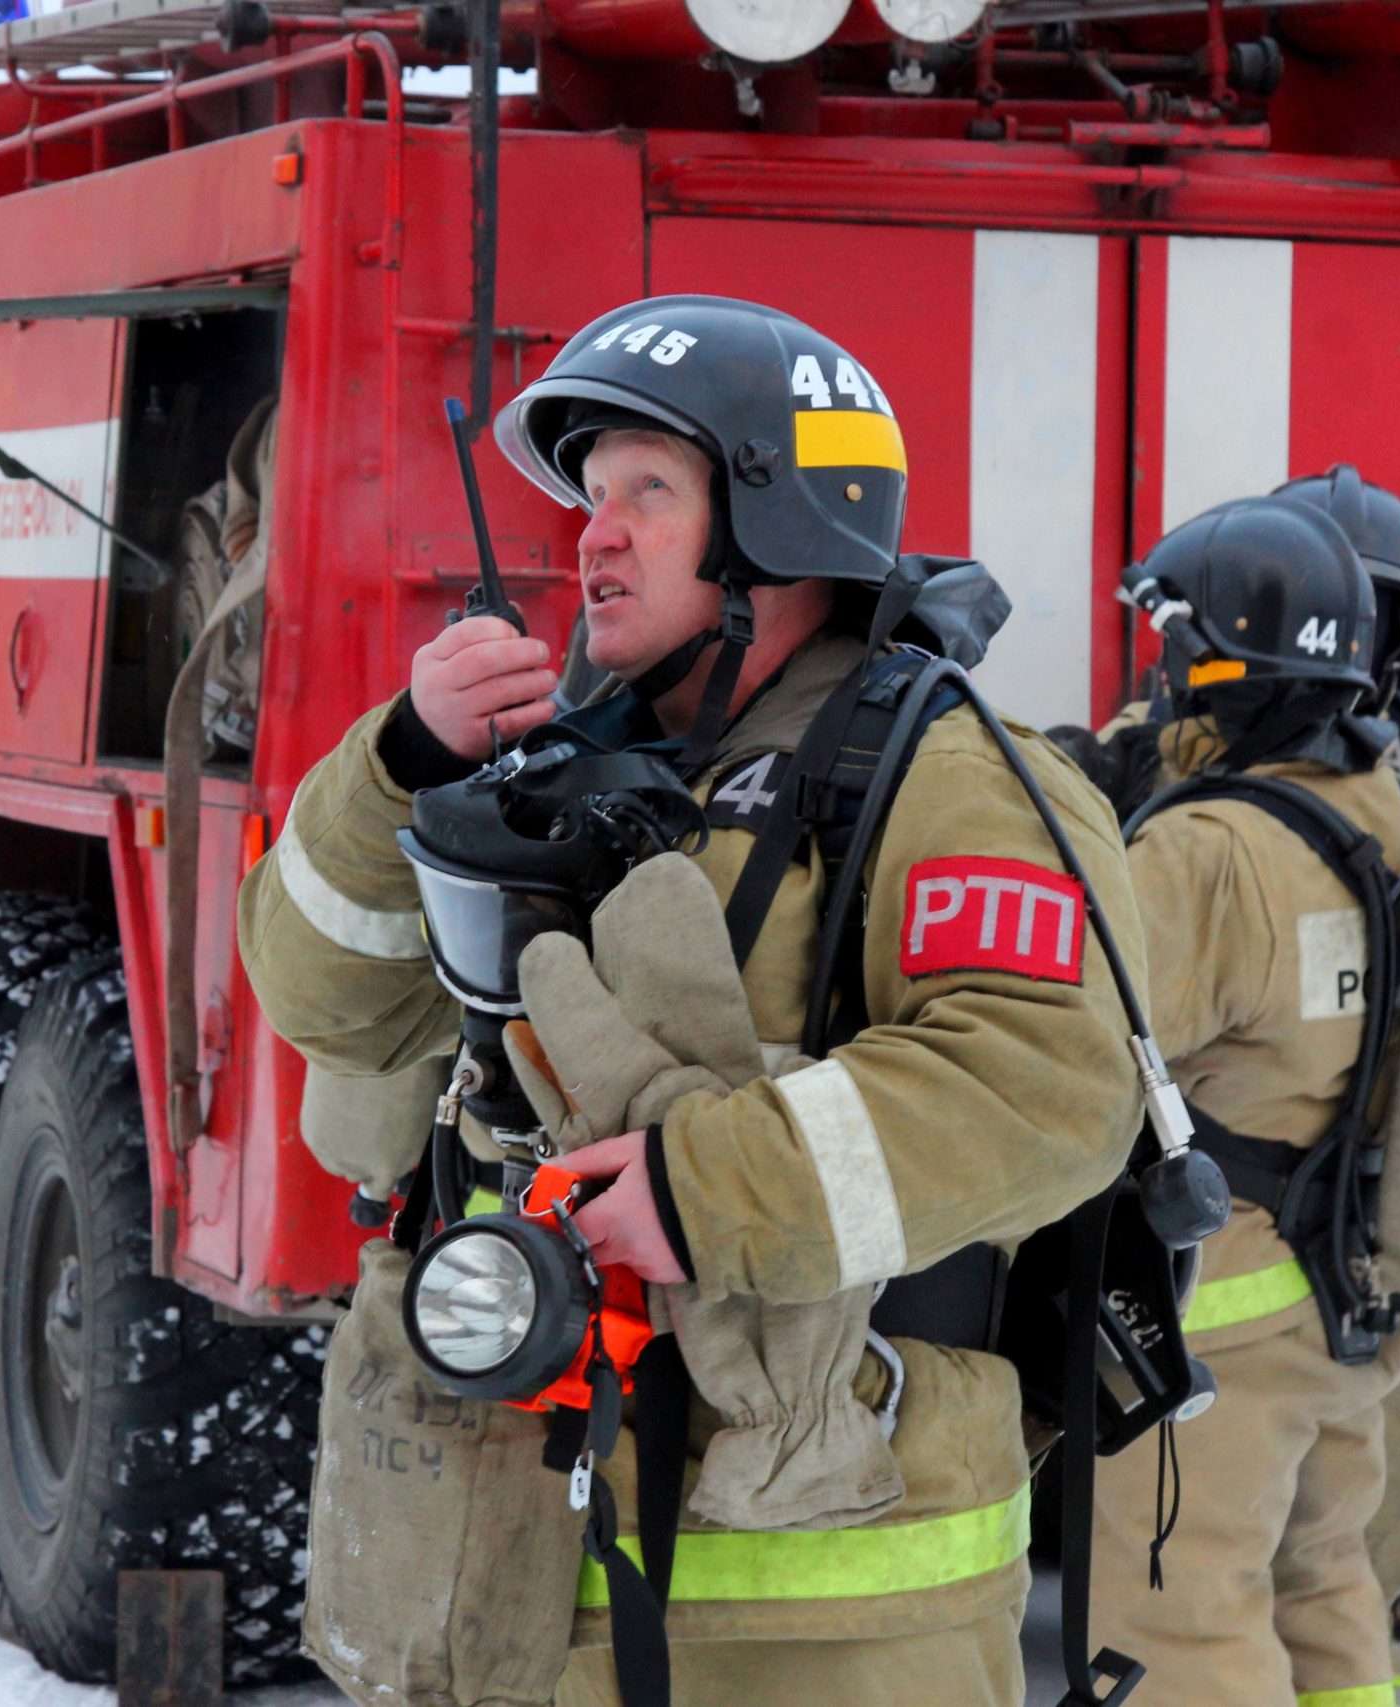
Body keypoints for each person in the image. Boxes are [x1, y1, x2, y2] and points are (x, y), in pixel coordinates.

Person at [240, 294, 1152, 1706]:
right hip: (522, 1561)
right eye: (588, 497)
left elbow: (1045, 1084)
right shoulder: (535, 771)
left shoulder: (949, 779)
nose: (590, 533)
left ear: (774, 527)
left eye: (645, 494)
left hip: (825, 1605)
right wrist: (401, 764)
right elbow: (322, 1000)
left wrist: (706, 1181)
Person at [1088, 496, 1400, 1706]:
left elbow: (1082, 1053)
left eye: (1171, 653)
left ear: (1213, 663)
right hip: (1349, 1294)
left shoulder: (1207, 850)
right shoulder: (1394, 809)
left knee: (1177, 1621)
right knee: (1324, 1583)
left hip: (1216, 1313)